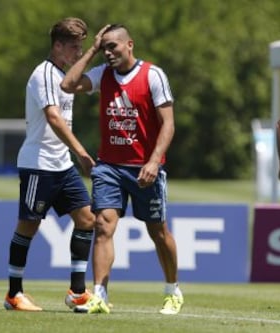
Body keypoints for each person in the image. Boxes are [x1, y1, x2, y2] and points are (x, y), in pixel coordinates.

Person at [61, 23, 184, 315]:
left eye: (112, 46)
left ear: (130, 45)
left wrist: (154, 161)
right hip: (109, 167)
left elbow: (168, 123)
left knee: (158, 231)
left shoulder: (153, 75)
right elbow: (68, 85)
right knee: (103, 225)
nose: (108, 52)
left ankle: (172, 290)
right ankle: (100, 294)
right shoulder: (102, 73)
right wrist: (91, 49)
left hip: (145, 169)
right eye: (104, 47)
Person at [4, 17, 98, 312]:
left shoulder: (64, 75)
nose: (76, 52)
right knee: (28, 225)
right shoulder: (44, 74)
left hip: (61, 165)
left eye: (80, 47)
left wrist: (94, 52)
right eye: (73, 47)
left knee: (87, 219)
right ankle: (14, 294)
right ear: (57, 45)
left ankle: (77, 292)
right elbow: (54, 118)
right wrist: (82, 152)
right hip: (39, 163)